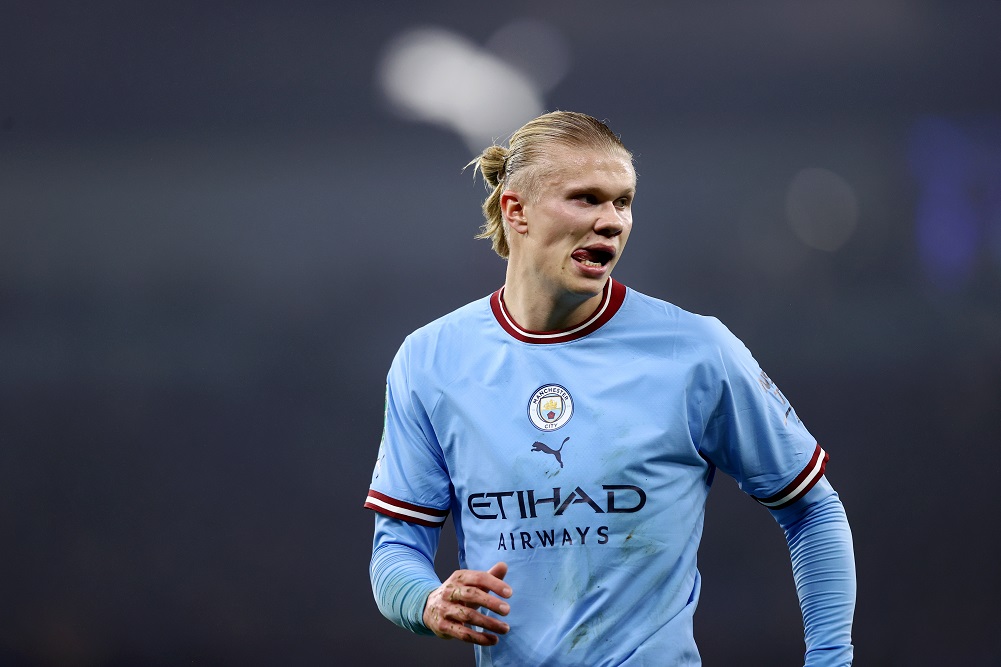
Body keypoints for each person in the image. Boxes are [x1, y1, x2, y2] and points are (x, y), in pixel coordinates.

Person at [364, 110, 856, 666]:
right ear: (516, 210)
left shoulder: (695, 351)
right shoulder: (430, 361)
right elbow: (395, 550)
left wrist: (831, 661)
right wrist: (427, 601)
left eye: (623, 202)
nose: (612, 222)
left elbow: (812, 510)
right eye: (586, 199)